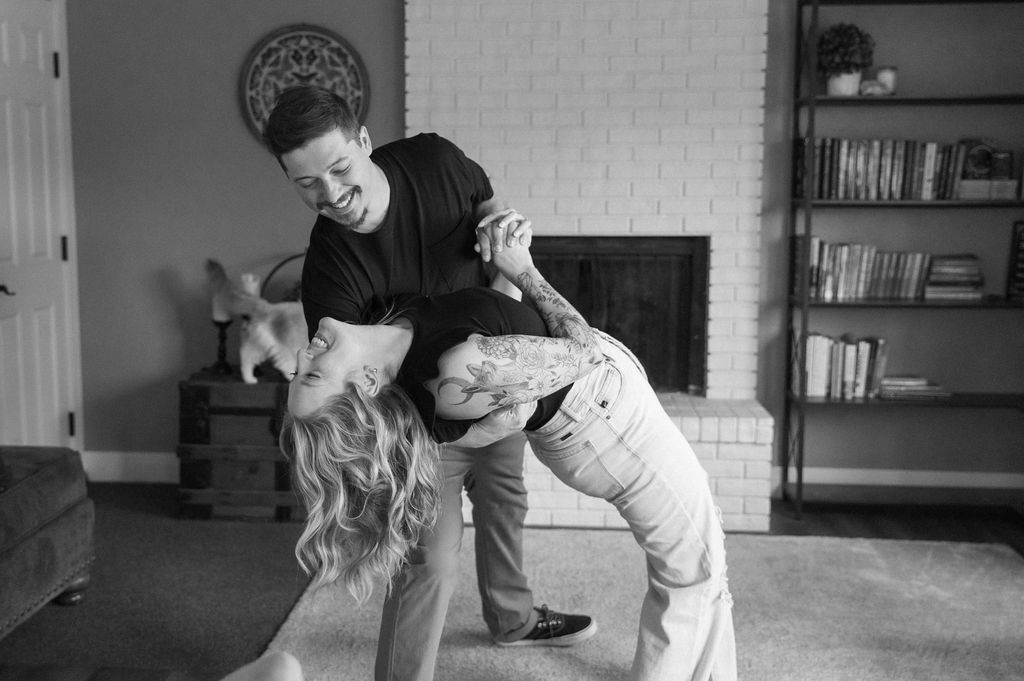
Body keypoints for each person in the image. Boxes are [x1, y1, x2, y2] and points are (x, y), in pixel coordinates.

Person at [279, 224, 737, 681]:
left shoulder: (398, 327)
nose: (301, 359)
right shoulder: (454, 372)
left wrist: (500, 251)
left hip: (604, 415)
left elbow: (497, 328)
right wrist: (523, 270)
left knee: (703, 558)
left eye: (298, 373)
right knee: (694, 574)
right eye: (312, 377)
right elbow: (585, 352)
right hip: (607, 426)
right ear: (364, 384)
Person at [261, 85, 593, 681]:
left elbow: (490, 209)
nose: (331, 195)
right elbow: (353, 399)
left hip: (497, 377)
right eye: (306, 183)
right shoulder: (329, 273)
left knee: (505, 502)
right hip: (419, 428)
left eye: (339, 169)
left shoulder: (436, 161)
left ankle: (513, 618)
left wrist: (506, 235)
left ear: (365, 141)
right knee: (429, 563)